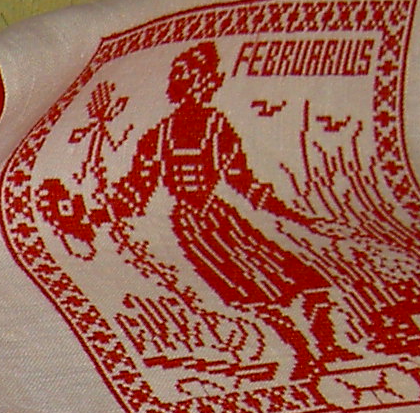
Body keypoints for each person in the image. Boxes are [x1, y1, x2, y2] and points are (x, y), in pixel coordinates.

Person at [91, 40, 359, 380]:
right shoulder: (159, 135)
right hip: (197, 229)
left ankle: (328, 346)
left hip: (223, 221)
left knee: (303, 281)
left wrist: (293, 216)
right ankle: (304, 354)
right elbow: (136, 193)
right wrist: (99, 215)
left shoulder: (216, 127)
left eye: (196, 77)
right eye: (184, 77)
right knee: (254, 296)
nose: (189, 84)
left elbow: (243, 182)